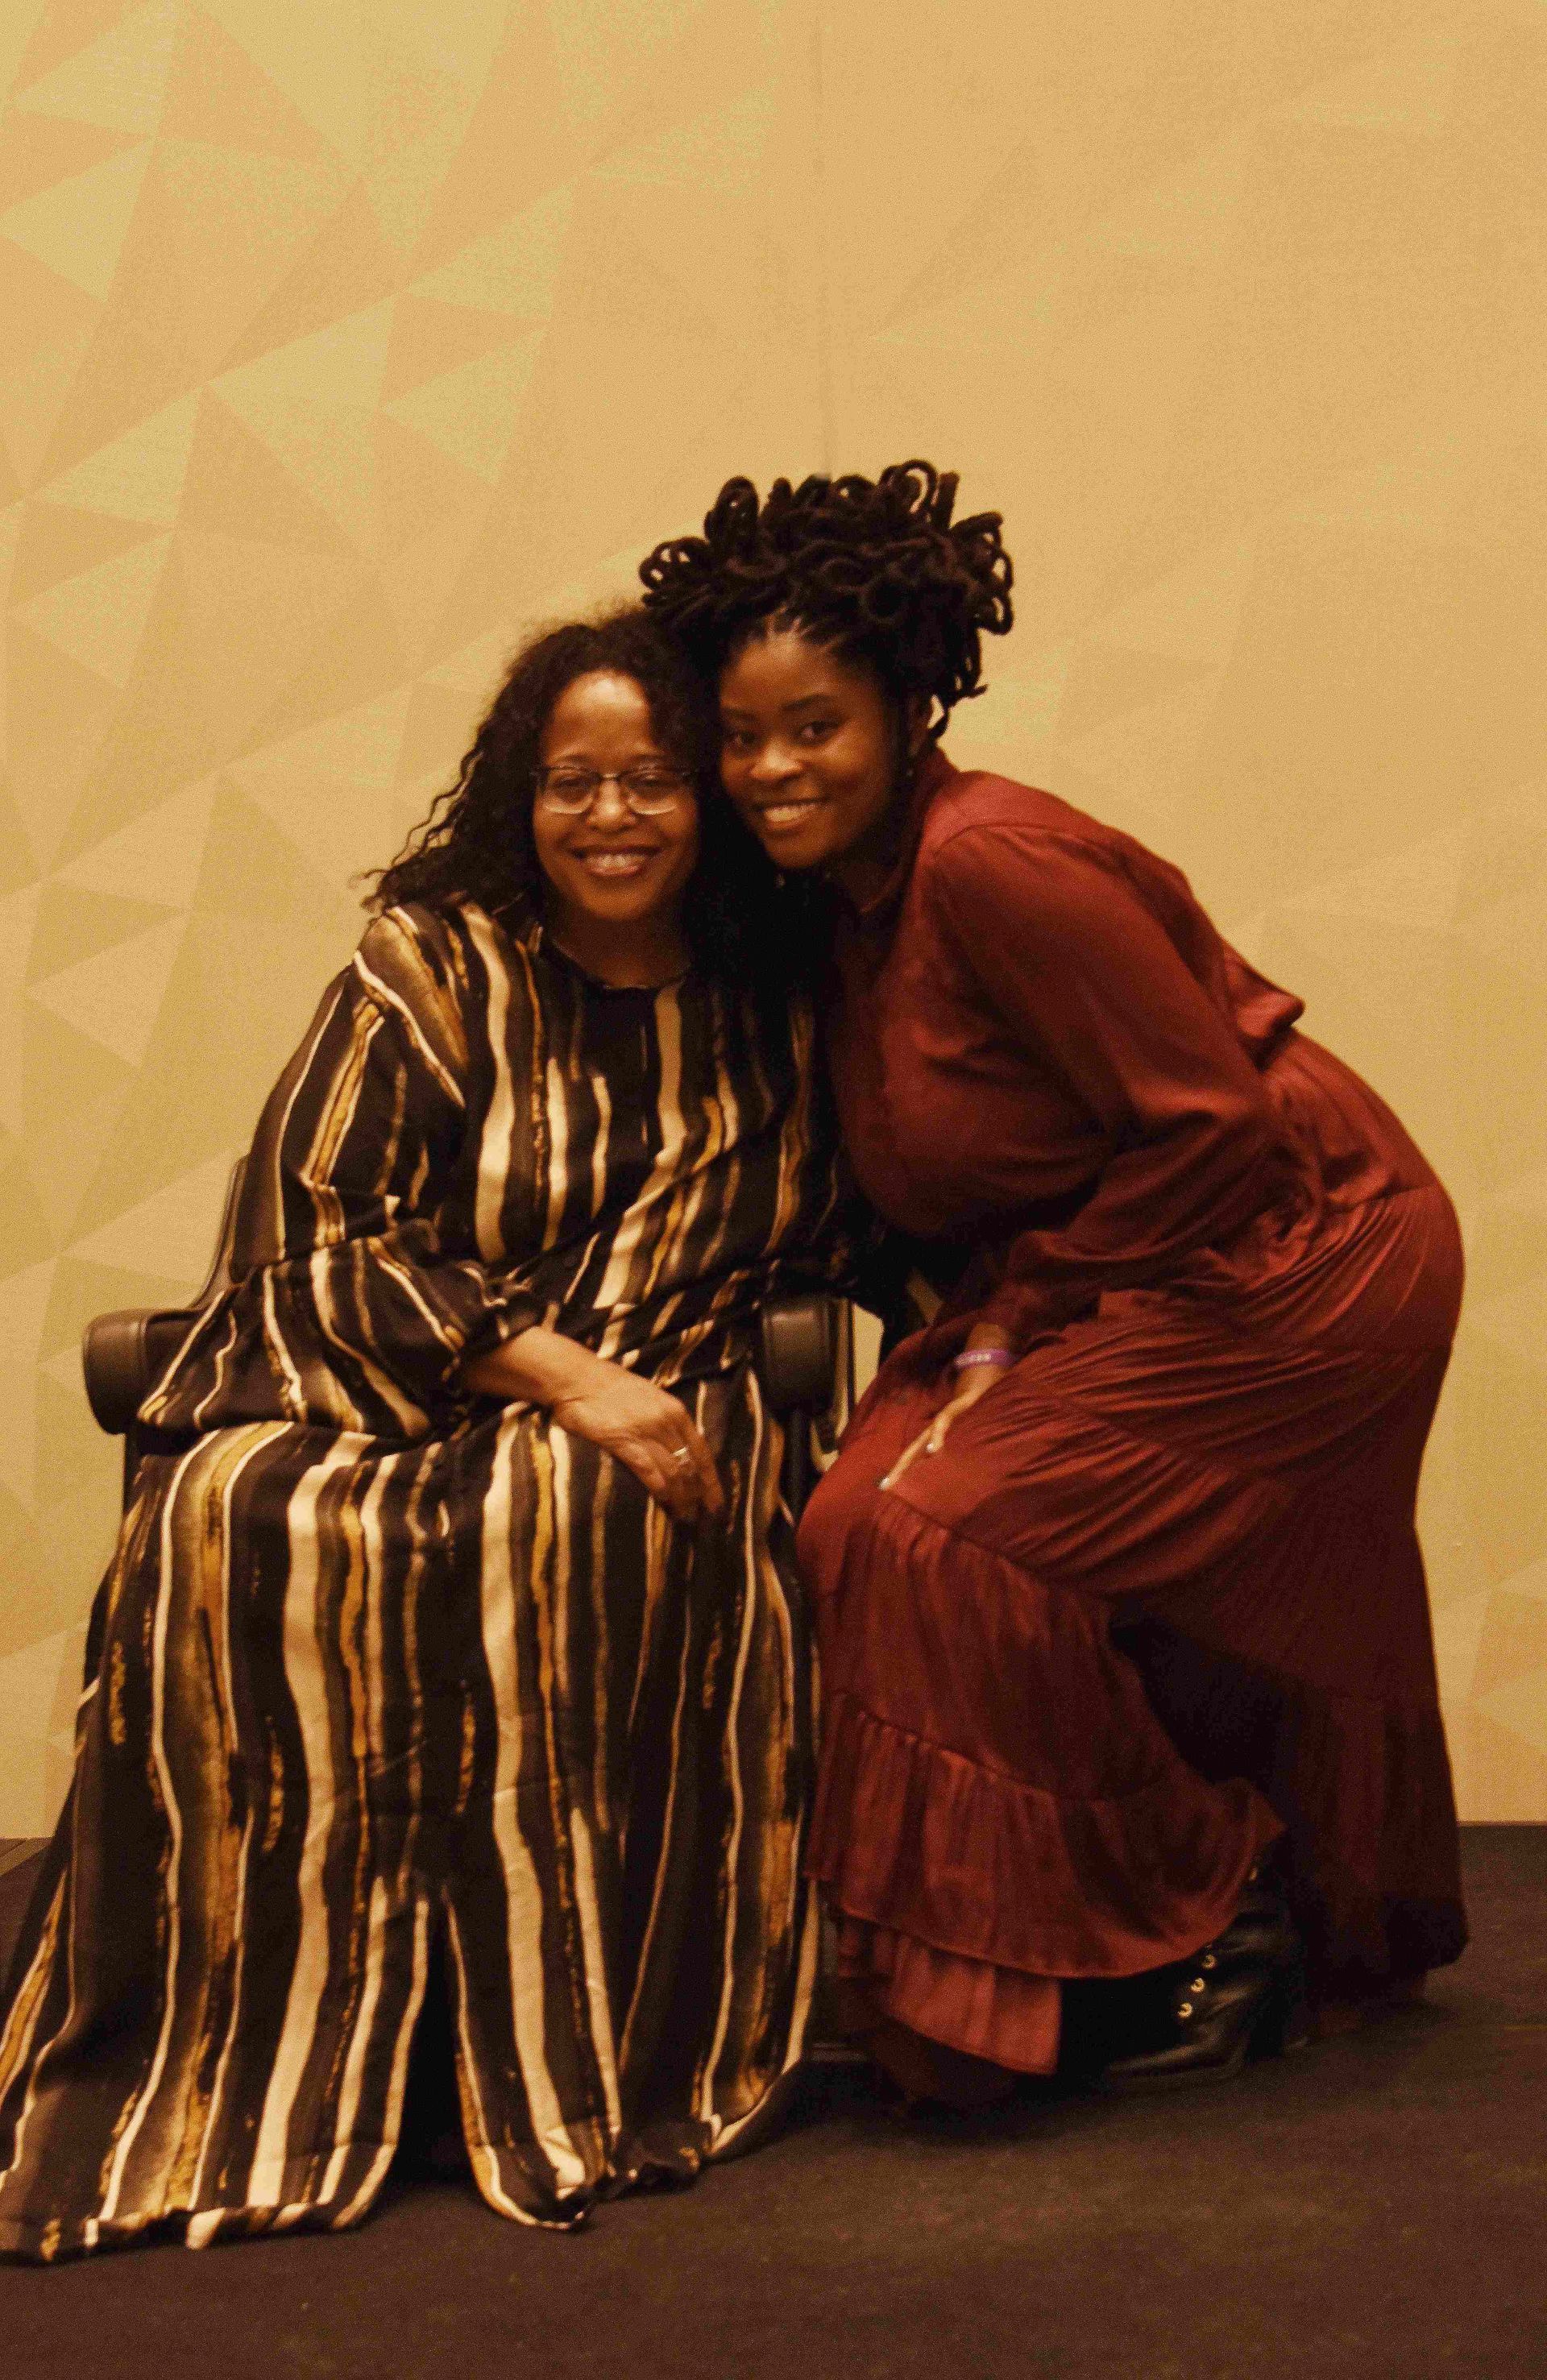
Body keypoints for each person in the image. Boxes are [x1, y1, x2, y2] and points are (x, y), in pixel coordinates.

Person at [0, 608, 857, 2259]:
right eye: (573, 782)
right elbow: (317, 1231)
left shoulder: (776, 997)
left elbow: (833, 1219)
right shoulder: (432, 965)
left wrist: (617, 1390)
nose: (611, 817)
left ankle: (540, 2045)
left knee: (559, 1523)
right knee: (227, 1512)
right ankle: (267, 2060)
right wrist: (545, 1366)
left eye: (654, 780)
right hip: (403, 1371)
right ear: (518, 796)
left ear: (710, 802)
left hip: (667, 1383)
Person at [639, 464, 1467, 2103]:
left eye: (813, 726)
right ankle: (1117, 1922)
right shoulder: (848, 907)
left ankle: (1207, 1899)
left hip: (1299, 1244)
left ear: (905, 703)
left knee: (936, 1532)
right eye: (740, 737)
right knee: (845, 1514)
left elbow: (1213, 1124)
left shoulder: (990, 862)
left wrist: (1017, 1325)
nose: (770, 768)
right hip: (1128, 1249)